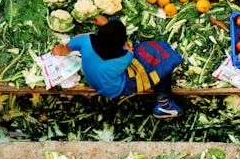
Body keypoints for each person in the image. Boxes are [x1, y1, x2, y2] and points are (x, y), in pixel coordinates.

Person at [52, 15, 184, 118]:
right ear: (123, 43)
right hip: (116, 88)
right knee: (162, 62)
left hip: (93, 81)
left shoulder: (86, 40)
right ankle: (164, 105)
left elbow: (67, 48)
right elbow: (128, 49)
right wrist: (109, 26)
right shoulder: (125, 57)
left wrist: (60, 53)